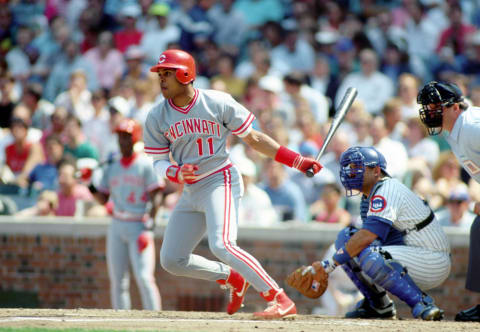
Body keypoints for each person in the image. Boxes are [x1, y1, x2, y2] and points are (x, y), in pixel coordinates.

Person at [144, 49, 322, 319]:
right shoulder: (157, 115)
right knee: (172, 260)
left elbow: (254, 139)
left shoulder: (217, 102)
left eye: (167, 73)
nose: (162, 79)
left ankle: (279, 298)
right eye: (161, 74)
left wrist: (297, 161)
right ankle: (232, 276)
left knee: (222, 244)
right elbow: (157, 159)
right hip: (191, 189)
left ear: (185, 74)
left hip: (219, 179)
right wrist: (174, 172)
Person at [300, 147, 451, 320]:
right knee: (346, 238)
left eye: (358, 168)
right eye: (349, 168)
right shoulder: (370, 196)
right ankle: (379, 305)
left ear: (376, 171)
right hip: (413, 252)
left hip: (432, 259)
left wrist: (329, 265)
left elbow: (368, 237)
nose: (351, 172)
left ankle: (422, 303)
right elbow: (382, 239)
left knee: (368, 253)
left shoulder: (386, 189)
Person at [417, 81, 480, 321]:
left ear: (455, 107)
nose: (431, 111)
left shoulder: (473, 126)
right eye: (428, 106)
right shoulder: (454, 131)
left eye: (436, 106)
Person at [89, 118, 163, 310]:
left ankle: (156, 323)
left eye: (127, 136)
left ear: (135, 137)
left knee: (145, 277)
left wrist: (150, 224)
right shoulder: (112, 165)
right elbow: (104, 199)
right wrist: (89, 184)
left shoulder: (146, 163)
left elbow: (156, 195)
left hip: (139, 224)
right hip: (117, 223)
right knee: (118, 281)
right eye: (120, 136)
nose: (123, 141)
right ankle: (121, 323)